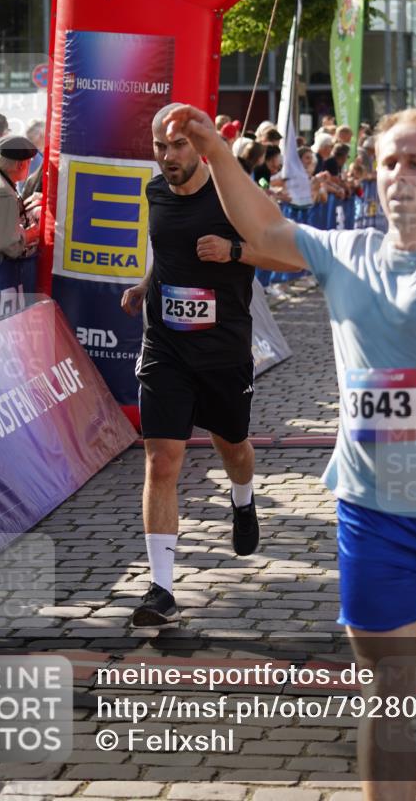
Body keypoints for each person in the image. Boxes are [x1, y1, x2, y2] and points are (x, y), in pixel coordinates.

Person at [161, 103, 416, 801]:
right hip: (371, 511)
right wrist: (212, 148)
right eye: (388, 162)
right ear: (372, 177)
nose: (400, 176)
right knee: (387, 693)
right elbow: (261, 226)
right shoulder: (344, 251)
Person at [121, 103, 298, 628]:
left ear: (197, 146)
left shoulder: (230, 196)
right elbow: (167, 257)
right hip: (165, 348)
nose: (168, 157)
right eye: (159, 147)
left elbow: (291, 255)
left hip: (223, 351)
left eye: (177, 146)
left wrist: (236, 250)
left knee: (234, 447)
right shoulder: (154, 192)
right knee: (161, 459)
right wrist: (146, 286)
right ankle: (161, 589)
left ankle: (243, 503)